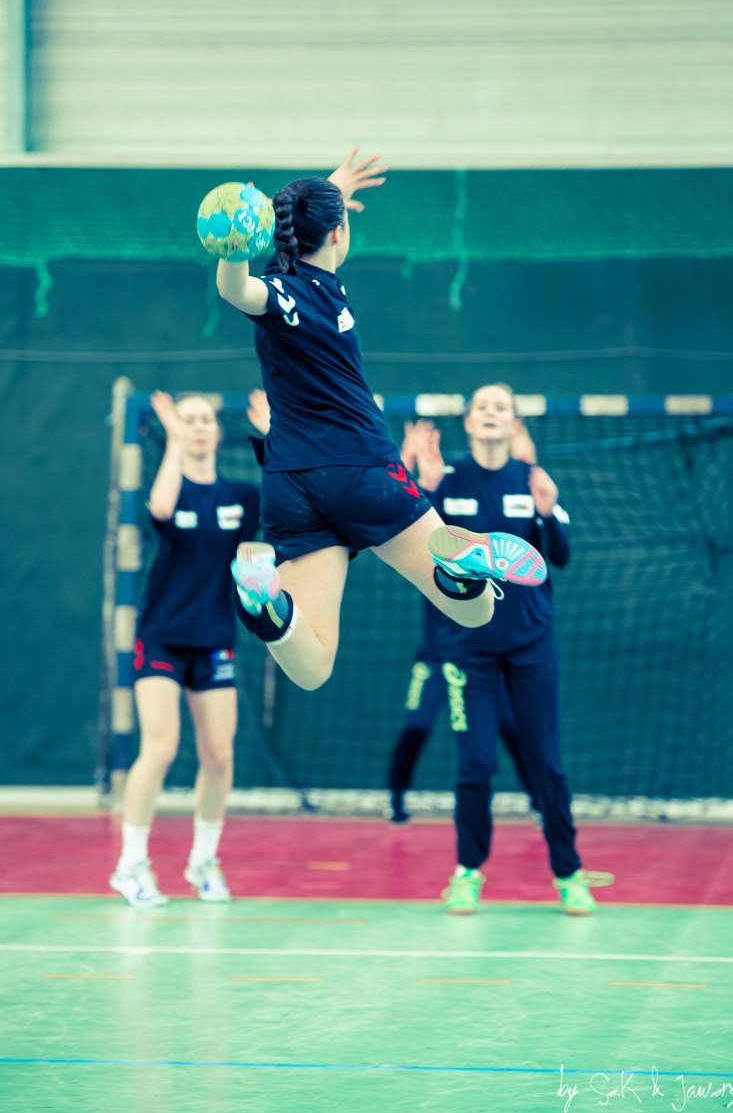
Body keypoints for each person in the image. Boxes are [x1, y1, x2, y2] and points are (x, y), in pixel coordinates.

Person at [215, 150, 547, 695]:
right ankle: (460, 570)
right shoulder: (309, 294)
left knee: (311, 666)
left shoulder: (282, 282)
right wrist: (329, 193)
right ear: (339, 233)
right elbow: (238, 289)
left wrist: (237, 242)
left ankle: (263, 601)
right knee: (477, 613)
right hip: (361, 471)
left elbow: (241, 284)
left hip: (289, 485)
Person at [397, 385, 613, 915]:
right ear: (468, 422)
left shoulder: (532, 481)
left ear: (514, 424)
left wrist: (548, 509)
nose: (491, 414)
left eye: (502, 408)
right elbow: (412, 543)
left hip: (532, 646)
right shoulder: (444, 483)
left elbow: (559, 555)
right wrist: (419, 490)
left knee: (546, 762)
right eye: (482, 407)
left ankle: (569, 874)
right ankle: (467, 872)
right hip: (468, 652)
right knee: (476, 765)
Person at [110, 390, 262, 907]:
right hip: (161, 639)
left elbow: (286, 504)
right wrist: (172, 442)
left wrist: (271, 437)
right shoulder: (172, 490)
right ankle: (131, 863)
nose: (198, 427)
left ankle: (204, 860)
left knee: (219, 754)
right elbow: (159, 508)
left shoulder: (241, 498)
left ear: (218, 433)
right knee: (161, 747)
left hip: (215, 640)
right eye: (189, 420)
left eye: (205, 421)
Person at [386, 420, 541, 825]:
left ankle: (540, 801)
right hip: (441, 648)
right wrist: (416, 467)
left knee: (511, 727)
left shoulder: (521, 490)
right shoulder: (447, 484)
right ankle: (397, 797)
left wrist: (529, 464)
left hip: (489, 651)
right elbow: (398, 510)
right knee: (418, 724)